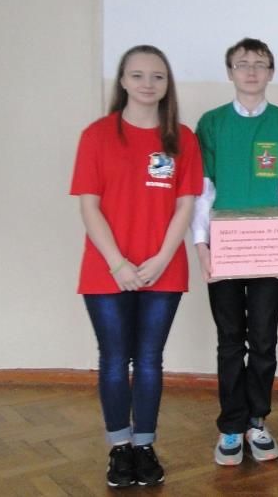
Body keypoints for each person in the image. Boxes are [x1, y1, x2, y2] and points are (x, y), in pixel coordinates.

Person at [70, 45, 203, 488]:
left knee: (148, 360)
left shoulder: (182, 138)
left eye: (158, 76)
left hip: (163, 269)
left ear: (168, 85)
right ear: (123, 81)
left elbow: (186, 204)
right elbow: (89, 206)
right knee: (113, 359)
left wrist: (161, 258)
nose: (148, 84)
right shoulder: (96, 135)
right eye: (138, 75)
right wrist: (118, 264)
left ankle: (144, 445)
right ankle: (119, 448)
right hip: (106, 270)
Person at [191, 38, 278, 466]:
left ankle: (257, 420)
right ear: (230, 72)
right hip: (223, 250)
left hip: (268, 251)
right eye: (242, 64)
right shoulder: (211, 124)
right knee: (228, 341)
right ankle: (231, 426)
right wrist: (201, 246)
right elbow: (203, 190)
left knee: (263, 340)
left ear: (271, 72)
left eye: (260, 64)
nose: (251, 71)